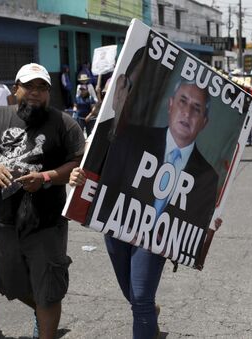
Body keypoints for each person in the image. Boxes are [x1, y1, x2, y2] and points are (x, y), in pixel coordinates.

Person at [74, 80, 219, 339]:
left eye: (196, 108)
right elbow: (92, 170)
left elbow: (199, 222)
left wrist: (208, 223)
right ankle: (149, 316)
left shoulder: (207, 176)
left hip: (156, 236)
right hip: (116, 223)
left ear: (205, 122)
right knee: (133, 294)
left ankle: (146, 315)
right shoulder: (129, 136)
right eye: (183, 102)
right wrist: (78, 176)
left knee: (140, 298)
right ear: (170, 105)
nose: (187, 112)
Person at [0, 63, 85, 339]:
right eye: (29, 86)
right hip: (5, 222)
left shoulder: (64, 123)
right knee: (9, 284)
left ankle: (46, 328)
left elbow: (79, 163)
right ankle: (43, 311)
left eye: (42, 87)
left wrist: (44, 178)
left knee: (48, 289)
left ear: (49, 93)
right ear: (15, 88)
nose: (35, 92)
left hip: (47, 224)